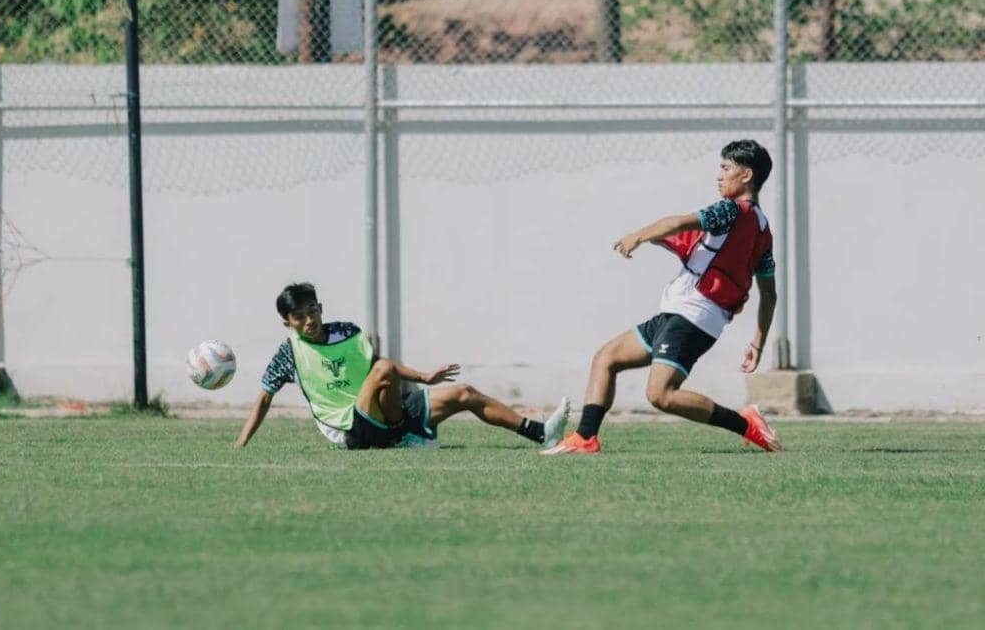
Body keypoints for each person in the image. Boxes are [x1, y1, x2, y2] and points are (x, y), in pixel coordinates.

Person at [543, 139, 782, 455]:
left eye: (725, 168)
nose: (719, 176)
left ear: (747, 175)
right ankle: (585, 438)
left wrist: (637, 236)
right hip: (679, 313)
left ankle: (745, 423)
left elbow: (677, 222)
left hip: (692, 317)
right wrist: (758, 344)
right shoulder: (763, 231)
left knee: (661, 395)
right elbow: (769, 294)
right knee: (607, 358)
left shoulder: (731, 209)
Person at [234, 282, 571, 450]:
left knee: (464, 393)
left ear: (321, 307)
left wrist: (424, 376)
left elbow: (378, 364)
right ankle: (405, 436)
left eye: (313, 311)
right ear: (287, 323)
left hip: (381, 409)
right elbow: (265, 397)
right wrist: (241, 443)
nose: (310, 320)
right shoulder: (288, 353)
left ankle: (541, 433)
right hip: (349, 428)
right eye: (300, 316)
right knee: (383, 374)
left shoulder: (346, 332)